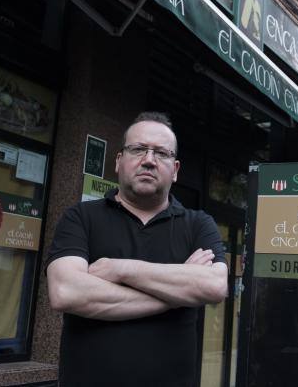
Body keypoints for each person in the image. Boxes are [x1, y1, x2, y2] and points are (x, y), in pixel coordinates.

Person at [46, 112, 228, 386]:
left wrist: (119, 268)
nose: (149, 160)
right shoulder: (80, 217)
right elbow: (66, 292)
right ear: (119, 161)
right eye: (138, 149)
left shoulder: (198, 224)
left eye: (161, 153)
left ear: (176, 170)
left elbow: (214, 287)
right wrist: (179, 292)